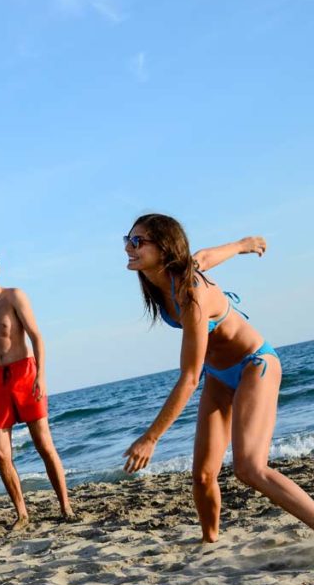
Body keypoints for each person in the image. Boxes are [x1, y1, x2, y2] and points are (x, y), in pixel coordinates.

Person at [122, 214, 314, 542]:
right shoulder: (164, 281)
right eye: (128, 239)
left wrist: (151, 438)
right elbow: (207, 256)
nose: (129, 247)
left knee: (250, 469)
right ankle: (210, 542)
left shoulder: (192, 293)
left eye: (138, 241)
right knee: (202, 475)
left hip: (255, 365)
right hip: (219, 377)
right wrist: (243, 245)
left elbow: (189, 376)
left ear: (165, 247)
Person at [0, 249, 75, 529]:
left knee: (44, 445)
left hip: (24, 373)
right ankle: (22, 514)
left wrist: (41, 376)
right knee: (1, 453)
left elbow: (37, 336)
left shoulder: (15, 296)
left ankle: (65, 506)